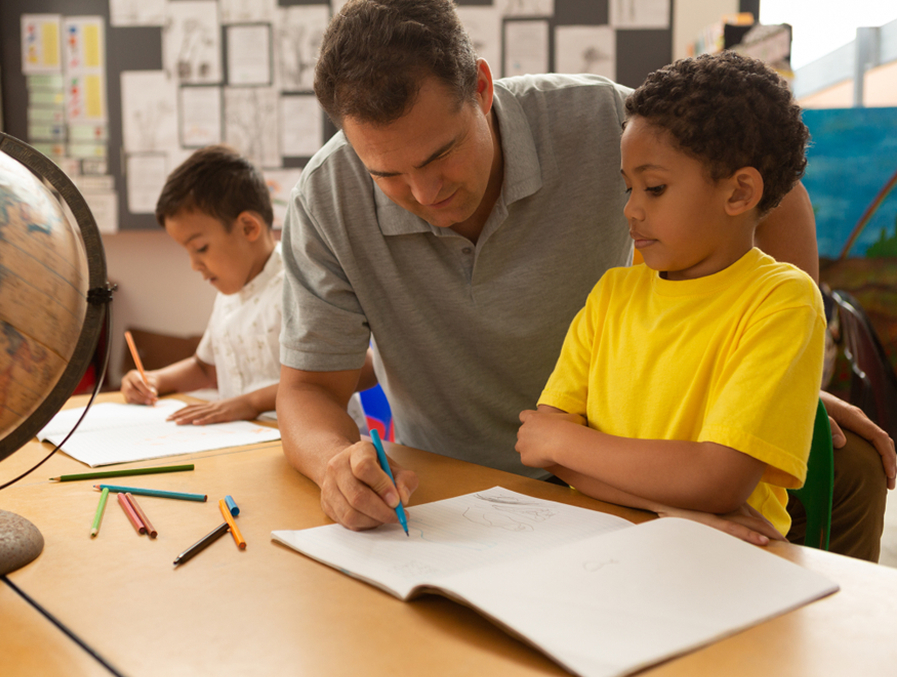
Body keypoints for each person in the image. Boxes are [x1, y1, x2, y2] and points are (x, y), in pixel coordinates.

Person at [277, 0, 893, 553]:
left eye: (441, 153)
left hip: (635, 447)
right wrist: (334, 462)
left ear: (483, 89)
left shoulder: (602, 118)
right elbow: (307, 390)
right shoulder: (327, 198)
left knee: (856, 464)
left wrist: (772, 374)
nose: (424, 190)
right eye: (387, 173)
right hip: (452, 478)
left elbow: (774, 192)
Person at [515, 52, 821, 540]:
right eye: (628, 188)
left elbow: (717, 480)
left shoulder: (782, 299)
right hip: (596, 543)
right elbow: (537, 445)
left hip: (722, 557)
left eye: (654, 188)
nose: (631, 210)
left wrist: (570, 443)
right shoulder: (613, 292)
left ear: (739, 193)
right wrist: (665, 501)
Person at [120, 145, 288, 424]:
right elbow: (205, 368)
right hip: (245, 440)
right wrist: (154, 379)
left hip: (307, 442)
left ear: (248, 228)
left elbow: (357, 368)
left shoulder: (298, 284)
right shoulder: (231, 291)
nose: (194, 265)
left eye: (200, 248)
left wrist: (251, 402)